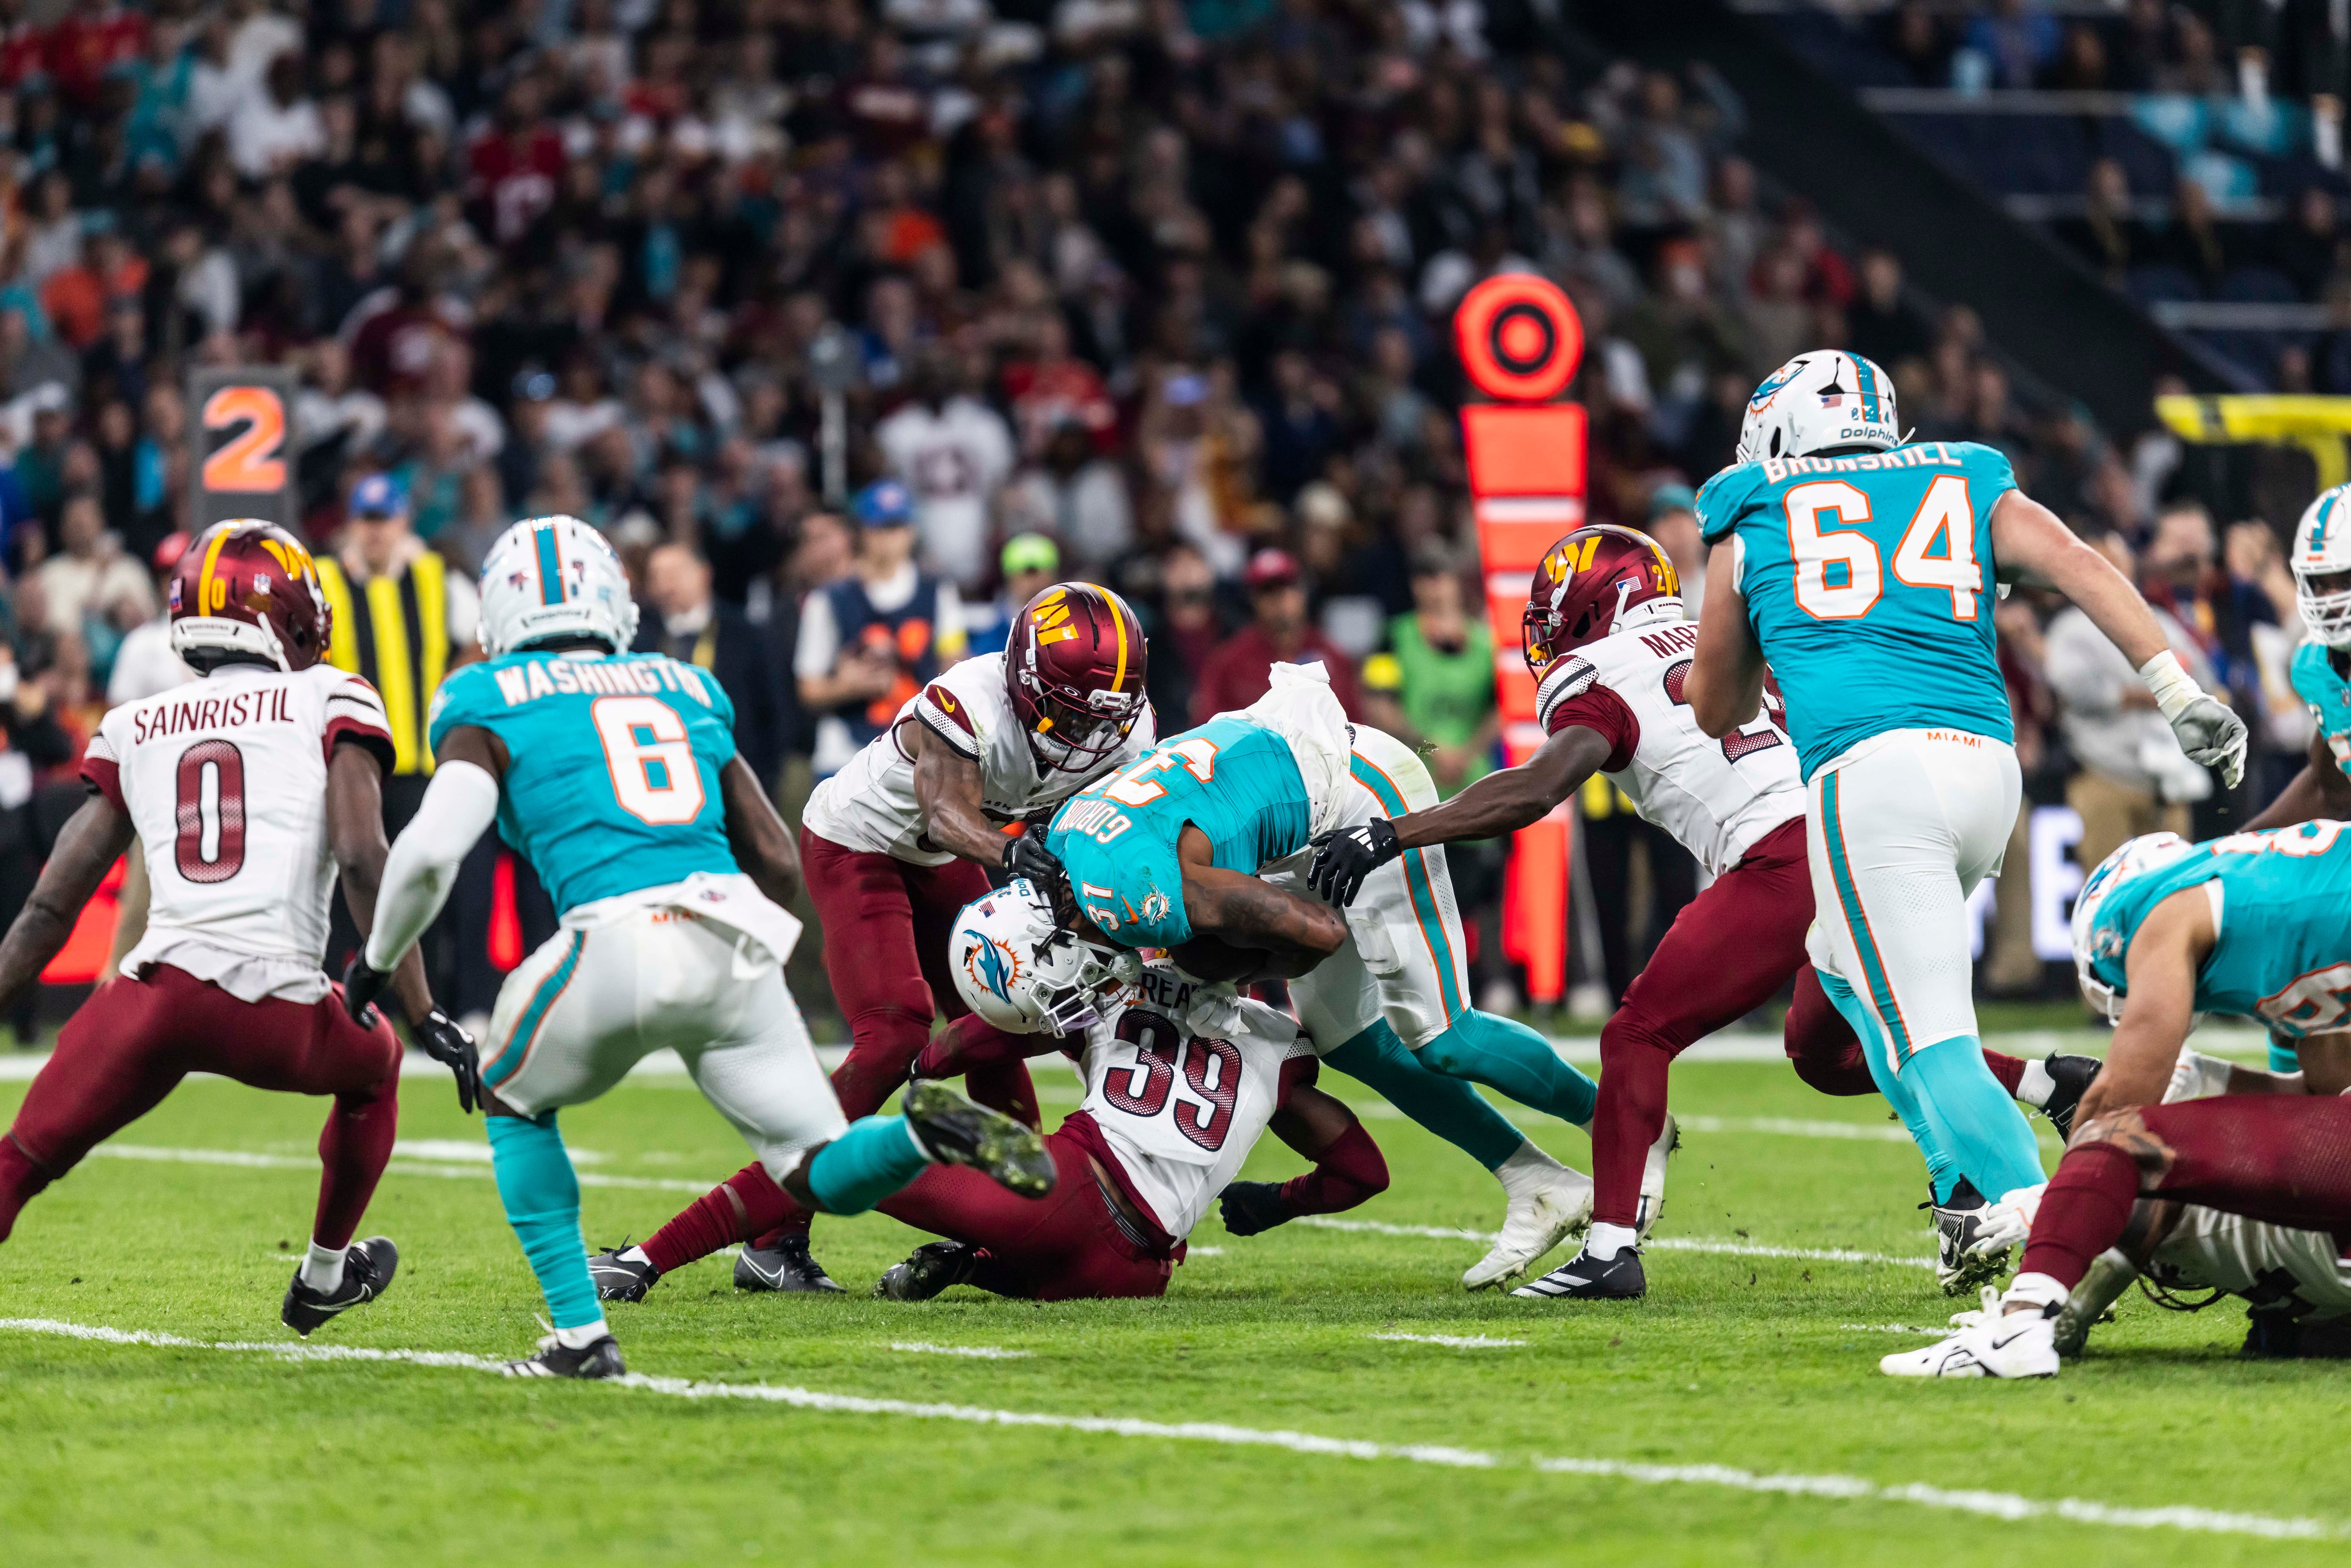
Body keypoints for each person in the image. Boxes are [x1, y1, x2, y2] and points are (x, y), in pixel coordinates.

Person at [345, 515, 1052, 1377]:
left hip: (610, 936)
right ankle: (917, 1139)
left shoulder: (482, 693)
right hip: (730, 934)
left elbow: (424, 853)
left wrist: (380, 962)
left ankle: (580, 1338)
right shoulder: (683, 682)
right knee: (812, 1163)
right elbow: (773, 859)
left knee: (512, 1099)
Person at [1308, 523, 2091, 1299]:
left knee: (1638, 1034)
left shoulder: (1603, 676)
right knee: (1835, 1049)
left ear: (1592, 603)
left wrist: (1393, 833)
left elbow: (1534, 790)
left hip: (1783, 855)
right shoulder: (1728, 636)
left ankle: (1612, 1248)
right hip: (1864, 832)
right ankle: (2045, 1089)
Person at [1682, 350, 2247, 1278]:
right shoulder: (1964, 472)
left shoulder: (1746, 502)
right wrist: (2174, 685)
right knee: (1843, 966)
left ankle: (2052, 1254)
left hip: (1873, 776)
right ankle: (1959, 1191)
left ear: (1779, 433)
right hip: (1986, 767)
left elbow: (1714, 706)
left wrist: (1761, 659)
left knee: (1932, 1036)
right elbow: (2075, 562)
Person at [592, 580, 1154, 1300]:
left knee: (1004, 1017)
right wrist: (1013, 853)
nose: (1087, 737)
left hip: (943, 857)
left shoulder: (1125, 728)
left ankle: (1004, 1218)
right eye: (1069, 713)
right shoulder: (969, 700)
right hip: (861, 841)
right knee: (893, 1032)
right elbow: (946, 812)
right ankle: (773, 1234)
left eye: (1100, 718)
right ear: (1022, 675)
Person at [0, 520, 473, 1339]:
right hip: (273, 1006)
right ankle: (325, 1276)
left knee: (18, 1165)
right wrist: (421, 1004)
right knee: (376, 1067)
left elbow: (52, 905)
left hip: (150, 999)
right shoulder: (333, 693)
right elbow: (364, 857)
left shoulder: (135, 722)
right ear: (286, 610)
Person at [1046, 661, 1600, 1290]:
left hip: (1353, 787)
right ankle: (1536, 1179)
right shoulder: (1067, 841)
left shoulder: (1170, 897)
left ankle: (1617, 1125)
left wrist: (1231, 963)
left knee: (1445, 1035)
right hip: (1283, 816)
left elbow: (1318, 935)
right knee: (1352, 1041)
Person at [1883, 822, 2351, 1379]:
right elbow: (2326, 1090)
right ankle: (2065, 1313)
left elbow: (2118, 1109)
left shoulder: (2164, 907)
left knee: (2123, 1135)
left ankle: (2022, 1325)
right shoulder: (2289, 899)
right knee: (2175, 1106)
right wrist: (2205, 1083)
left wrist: (2052, 1201)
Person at [793, 480, 964, 779]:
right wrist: (847, 687)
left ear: (911, 531)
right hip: (845, 750)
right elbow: (808, 687)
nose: (891, 539)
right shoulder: (829, 600)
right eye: (882, 528)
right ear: (863, 533)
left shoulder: (939, 592)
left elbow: (955, 666)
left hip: (918, 748)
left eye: (898, 527)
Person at [638, 541, 787, 790]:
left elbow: (774, 714)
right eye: (657, 577)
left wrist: (762, 781)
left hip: (734, 778)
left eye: (674, 574)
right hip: (661, 781)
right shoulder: (638, 642)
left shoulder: (747, 635)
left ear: (704, 574)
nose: (666, 585)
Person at [1191, 549, 1364, 723]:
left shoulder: (1334, 658)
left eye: (1287, 587)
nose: (1280, 599)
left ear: (1302, 592)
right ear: (1254, 599)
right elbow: (1207, 729)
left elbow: (1356, 727)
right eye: (1268, 591)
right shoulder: (1228, 663)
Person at [961, 533, 1061, 658]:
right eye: (1027, 573)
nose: (1034, 583)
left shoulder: (1072, 627)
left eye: (1040, 573)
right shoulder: (991, 636)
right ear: (1011, 578)